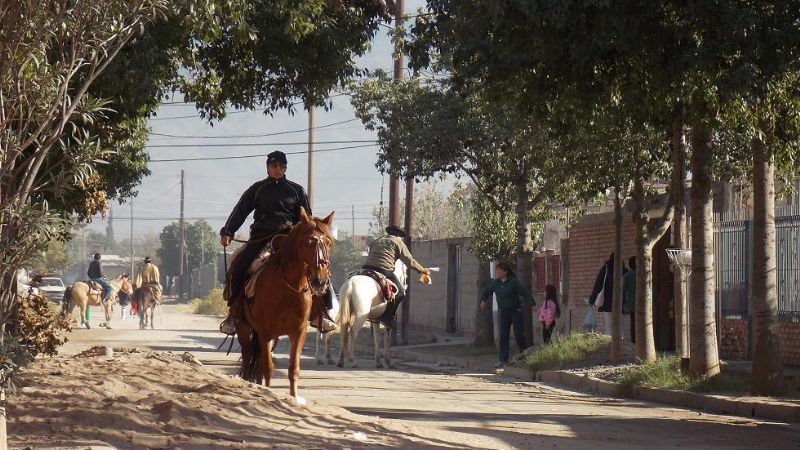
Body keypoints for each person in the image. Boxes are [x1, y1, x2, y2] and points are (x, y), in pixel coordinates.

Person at [218, 150, 335, 335]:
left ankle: (322, 312)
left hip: (290, 240)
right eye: (274, 166)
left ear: (285, 168)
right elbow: (240, 210)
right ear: (267, 168)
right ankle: (234, 313)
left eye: (281, 166)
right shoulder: (257, 189)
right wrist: (228, 231)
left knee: (319, 267)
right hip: (261, 238)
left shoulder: (296, 190)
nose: (277, 169)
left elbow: (307, 218)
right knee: (238, 267)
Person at [362, 225, 430, 329]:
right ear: (398, 235)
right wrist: (422, 270)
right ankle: (387, 317)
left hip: (366, 268)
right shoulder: (398, 242)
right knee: (400, 293)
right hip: (383, 269)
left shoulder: (377, 240)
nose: (401, 238)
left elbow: (371, 252)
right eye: (401, 236)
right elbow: (409, 261)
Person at [480, 262, 536, 368]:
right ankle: (503, 360)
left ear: (505, 272)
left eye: (499, 270)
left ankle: (524, 355)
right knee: (503, 335)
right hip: (504, 311)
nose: (497, 272)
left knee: (518, 334)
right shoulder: (495, 283)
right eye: (496, 270)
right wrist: (483, 300)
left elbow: (524, 292)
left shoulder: (513, 282)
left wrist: (532, 304)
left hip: (516, 310)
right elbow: (487, 291)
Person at [589, 252, 625, 335]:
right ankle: (620, 345)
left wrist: (592, 299)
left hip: (607, 303)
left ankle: (611, 345)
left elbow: (598, 285)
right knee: (620, 328)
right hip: (620, 303)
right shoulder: (623, 270)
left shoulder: (606, 270)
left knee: (609, 328)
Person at [623, 256, 637, 343]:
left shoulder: (627, 276)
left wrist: (624, 304)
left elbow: (623, 290)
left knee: (634, 324)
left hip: (632, 304)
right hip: (646, 303)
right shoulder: (646, 273)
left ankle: (634, 342)